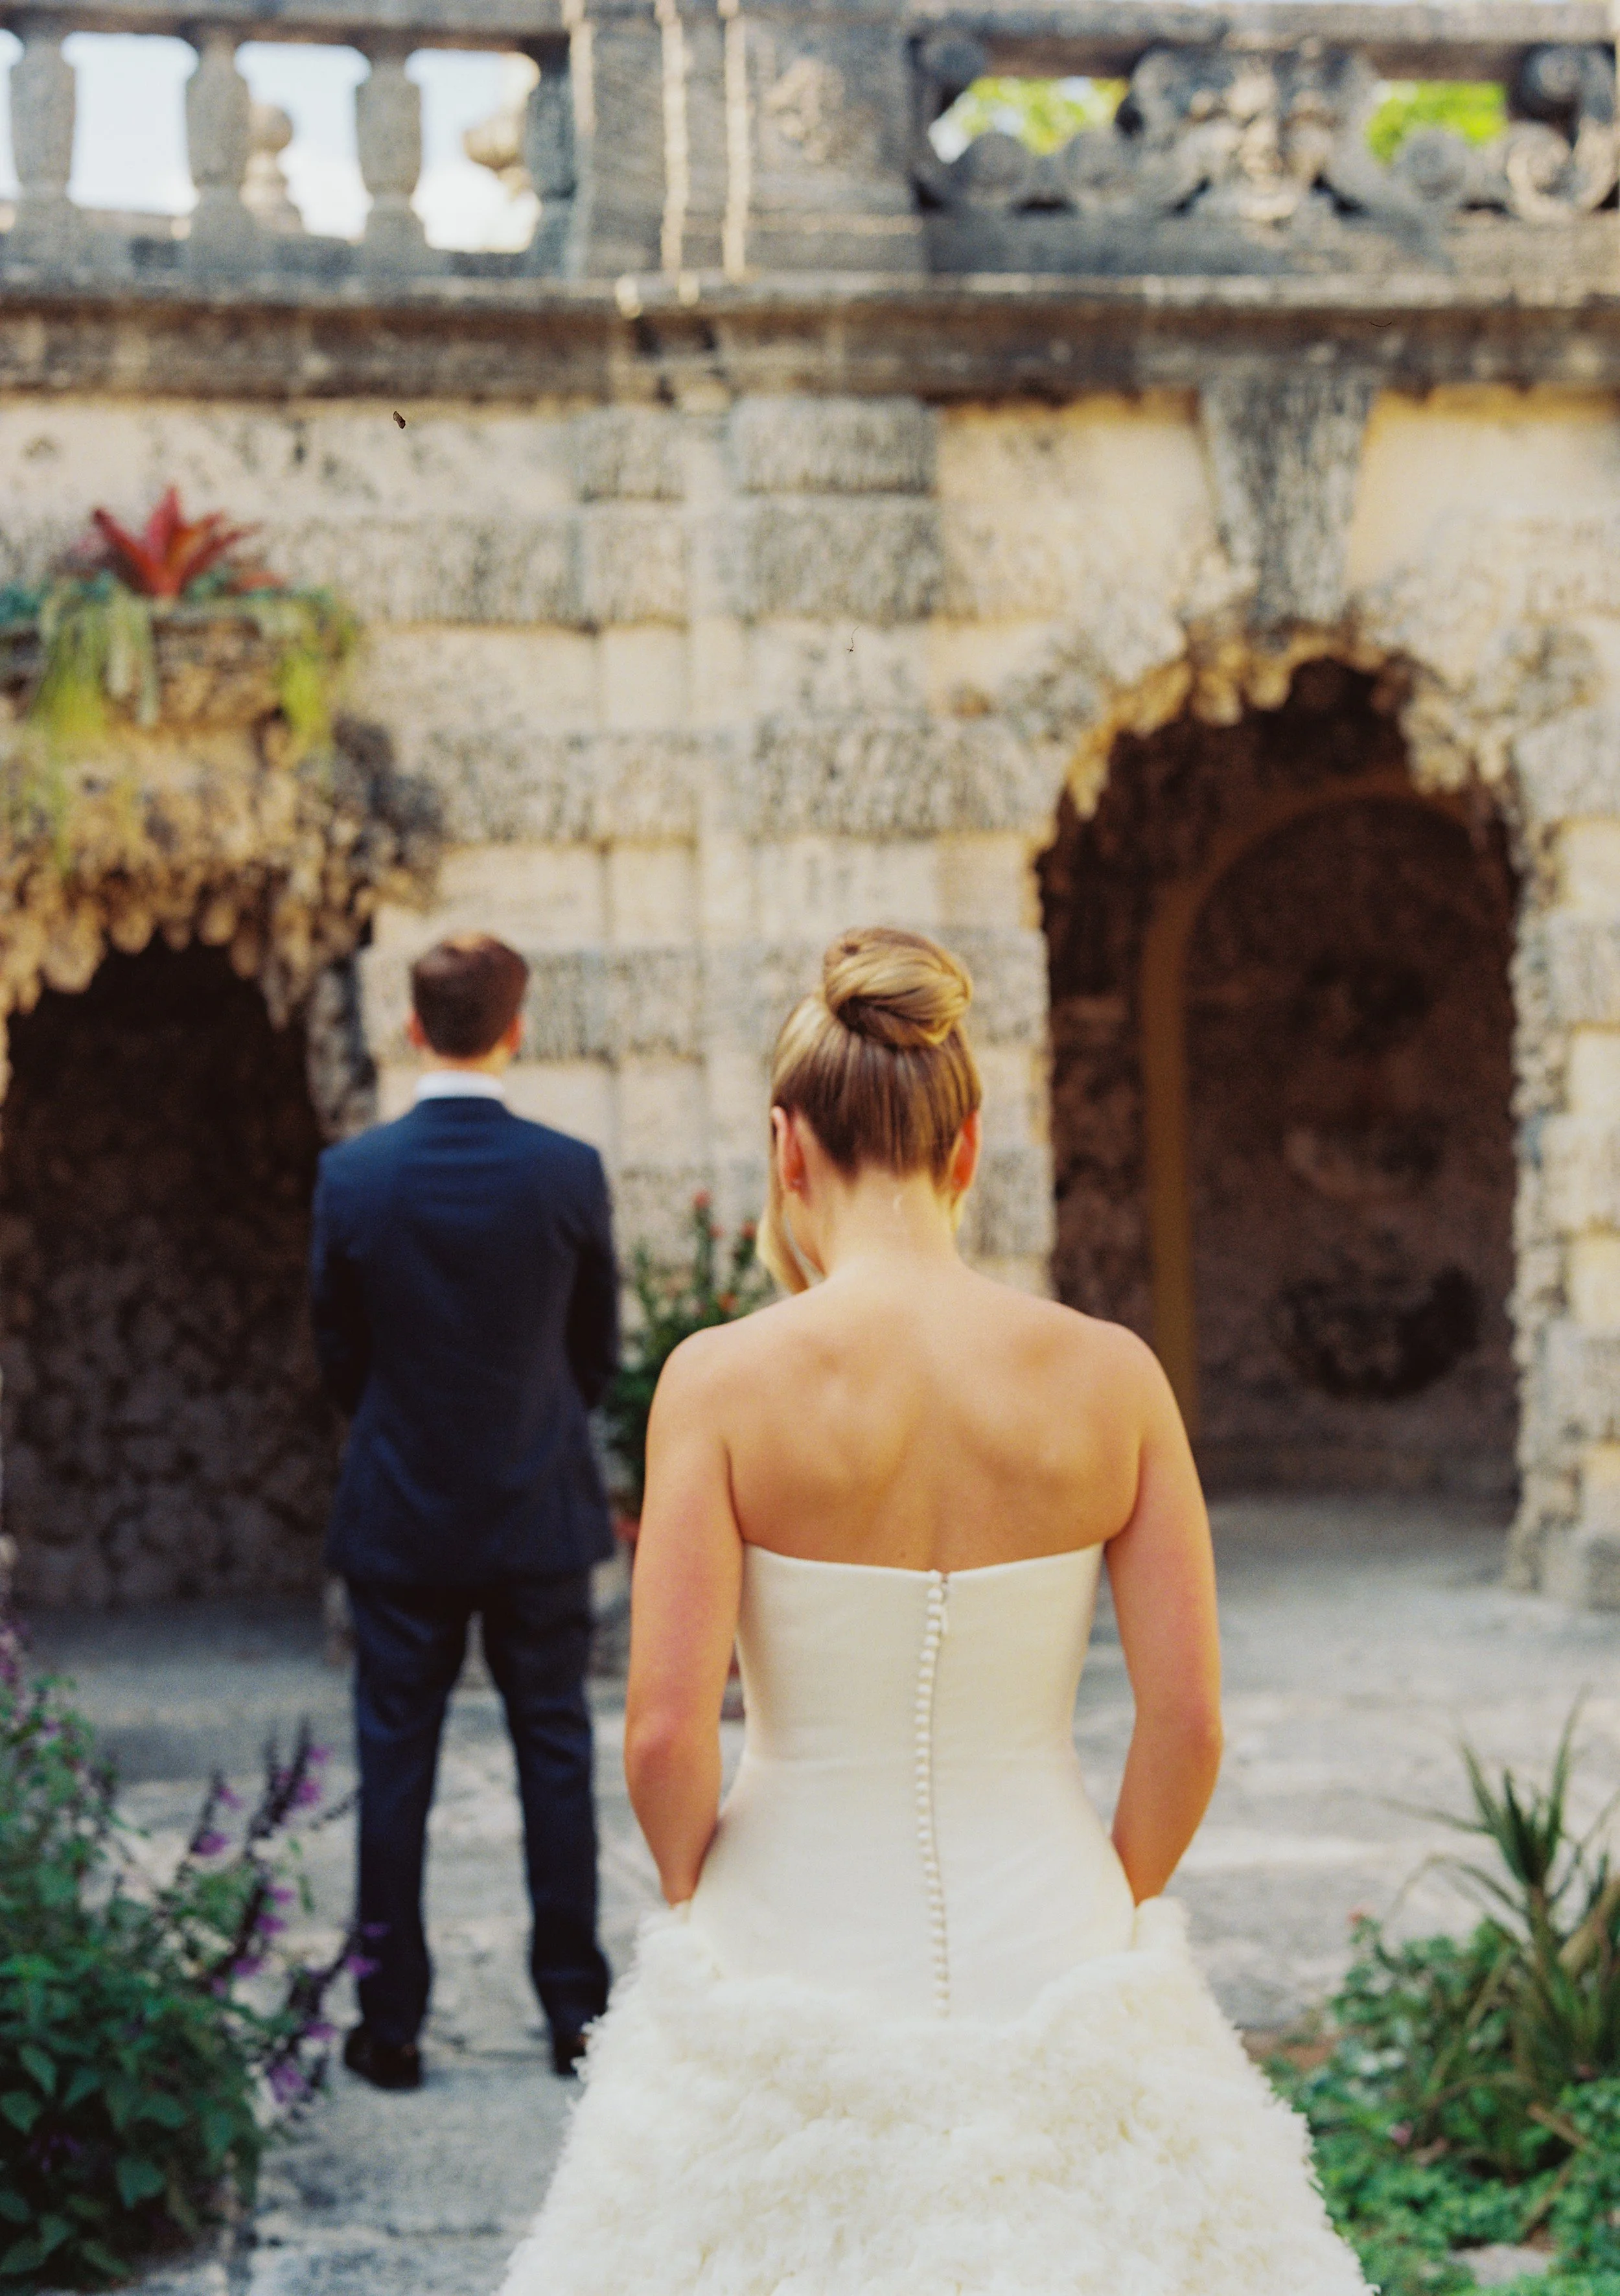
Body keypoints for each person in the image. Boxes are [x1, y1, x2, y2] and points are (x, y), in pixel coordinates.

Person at [500, 923, 1367, 2295]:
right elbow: (1185, 1721)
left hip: (781, 1935)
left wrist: (696, 1907)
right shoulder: (1112, 1377)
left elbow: (665, 1730)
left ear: (786, 1148)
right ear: (967, 1152)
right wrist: (1111, 1903)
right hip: (1060, 1937)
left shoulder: (720, 1384)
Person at [310, 932, 618, 2091]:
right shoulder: (569, 1170)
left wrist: (401, 1432)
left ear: (410, 1026)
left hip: (398, 1512)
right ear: (516, 1026)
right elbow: (595, 1349)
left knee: (396, 1768)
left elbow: (337, 1350)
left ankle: (390, 2024)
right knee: (555, 1755)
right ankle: (574, 2015)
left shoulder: (355, 1177)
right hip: (538, 1507)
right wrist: (532, 1432)